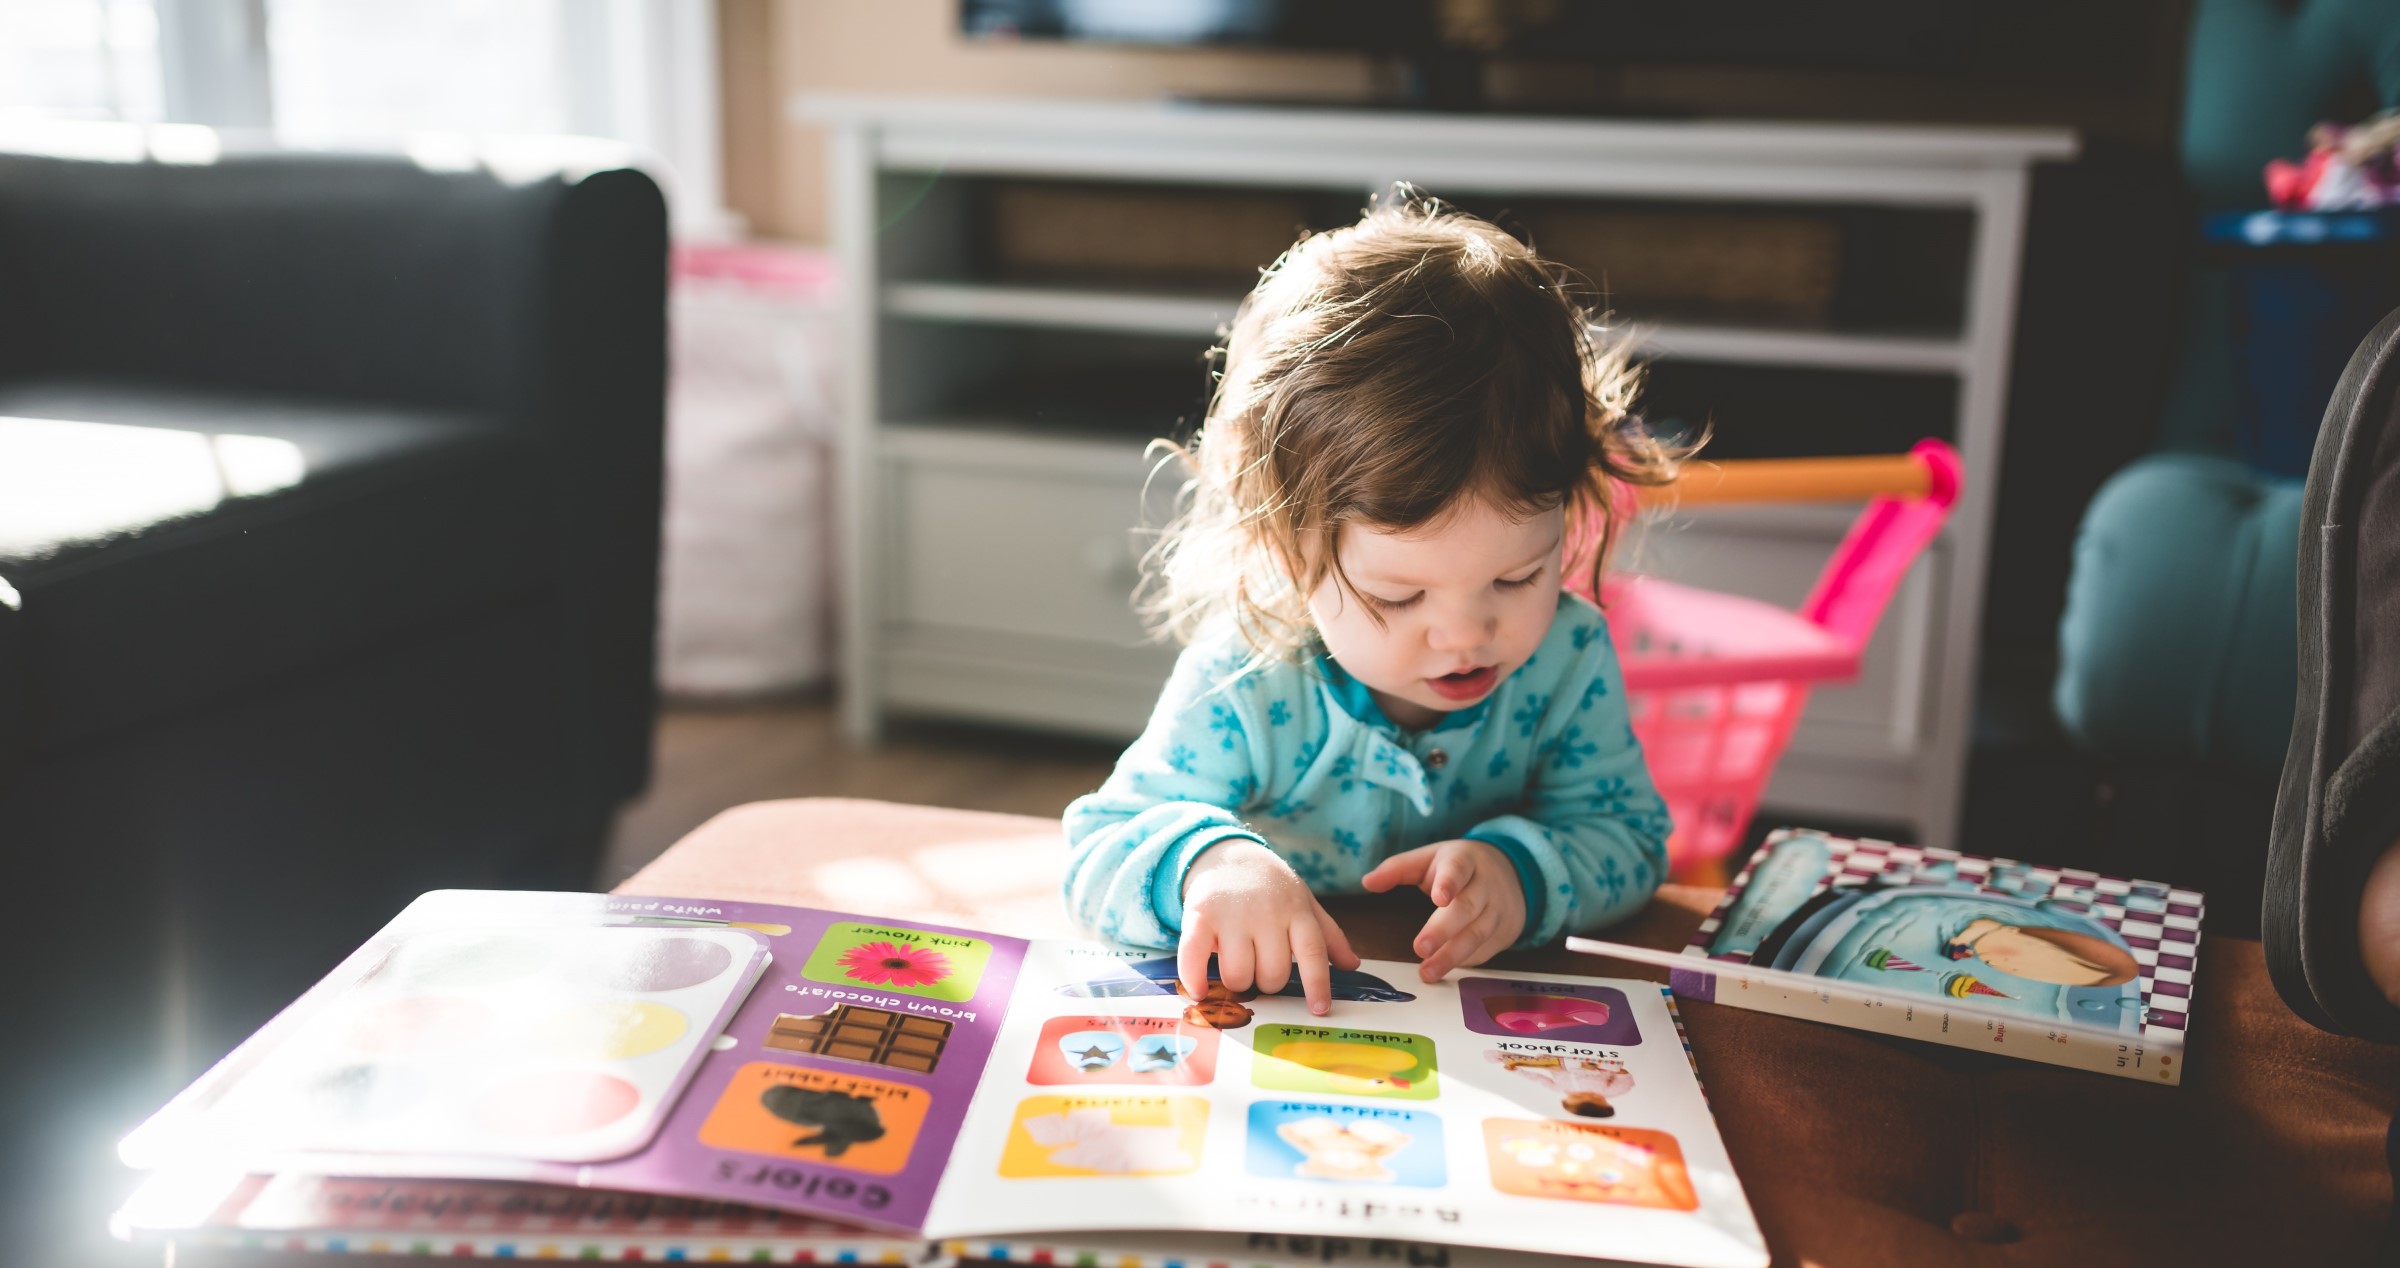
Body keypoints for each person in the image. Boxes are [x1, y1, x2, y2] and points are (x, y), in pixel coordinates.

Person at [1061, 192, 1684, 1016]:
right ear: (1286, 551)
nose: (1467, 633)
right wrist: (1211, 864)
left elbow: (1630, 843)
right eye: (1399, 595)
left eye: (1518, 577)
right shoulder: (1246, 677)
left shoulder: (1567, 660)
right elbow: (1099, 845)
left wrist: (1520, 873)